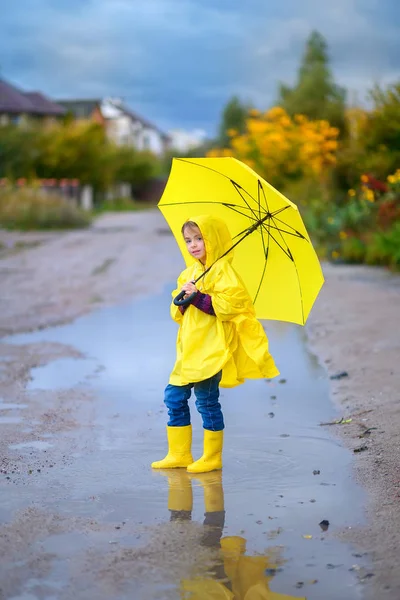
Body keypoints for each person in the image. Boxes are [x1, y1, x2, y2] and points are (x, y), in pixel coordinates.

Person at [151, 215, 279, 473]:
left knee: (206, 401)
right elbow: (176, 313)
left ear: (213, 240)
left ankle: (211, 456)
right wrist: (183, 297)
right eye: (188, 240)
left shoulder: (225, 273)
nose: (193, 245)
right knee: (174, 396)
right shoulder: (189, 274)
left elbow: (232, 306)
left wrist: (199, 298)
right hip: (189, 349)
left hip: (212, 349)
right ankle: (179, 453)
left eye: (200, 239)